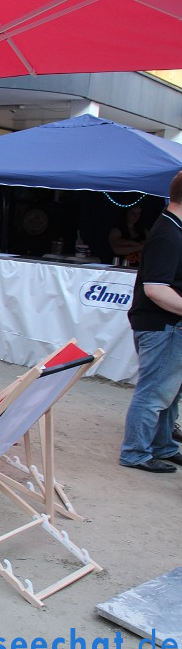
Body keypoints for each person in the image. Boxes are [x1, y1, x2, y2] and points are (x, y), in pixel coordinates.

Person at [119, 171, 182, 473]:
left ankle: (162, 445)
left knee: (169, 391)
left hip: (167, 325)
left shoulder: (172, 229)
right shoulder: (168, 233)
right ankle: (136, 452)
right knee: (155, 391)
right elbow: (156, 288)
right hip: (163, 326)